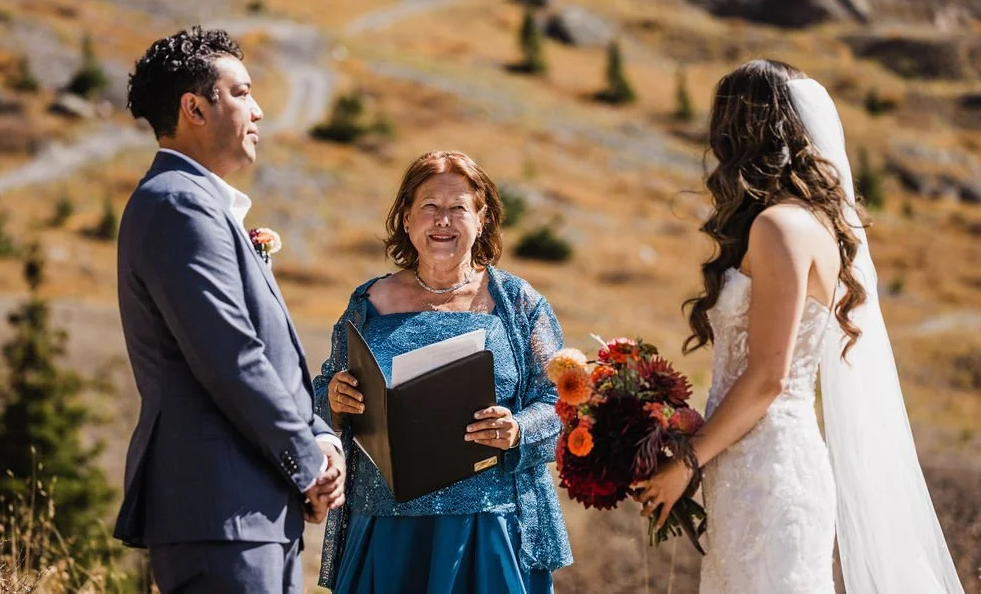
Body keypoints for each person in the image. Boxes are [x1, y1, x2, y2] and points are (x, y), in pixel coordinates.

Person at [634, 60, 965, 593]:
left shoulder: (778, 227)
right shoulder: (805, 223)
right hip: (749, 464)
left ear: (743, 130)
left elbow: (769, 375)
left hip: (768, 473)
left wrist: (687, 461)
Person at [114, 26, 345, 593]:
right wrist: (307, 461)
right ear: (194, 107)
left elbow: (268, 356)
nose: (259, 110)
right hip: (220, 513)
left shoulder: (201, 206)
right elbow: (229, 356)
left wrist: (321, 436)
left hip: (253, 513)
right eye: (241, 93)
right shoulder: (176, 204)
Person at [315, 150, 572, 593]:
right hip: (385, 526)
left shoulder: (518, 302)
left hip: (488, 527)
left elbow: (561, 401)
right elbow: (322, 393)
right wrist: (334, 401)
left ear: (482, 217)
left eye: (458, 208)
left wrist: (518, 429)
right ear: (407, 218)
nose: (443, 222)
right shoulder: (367, 304)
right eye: (430, 207)